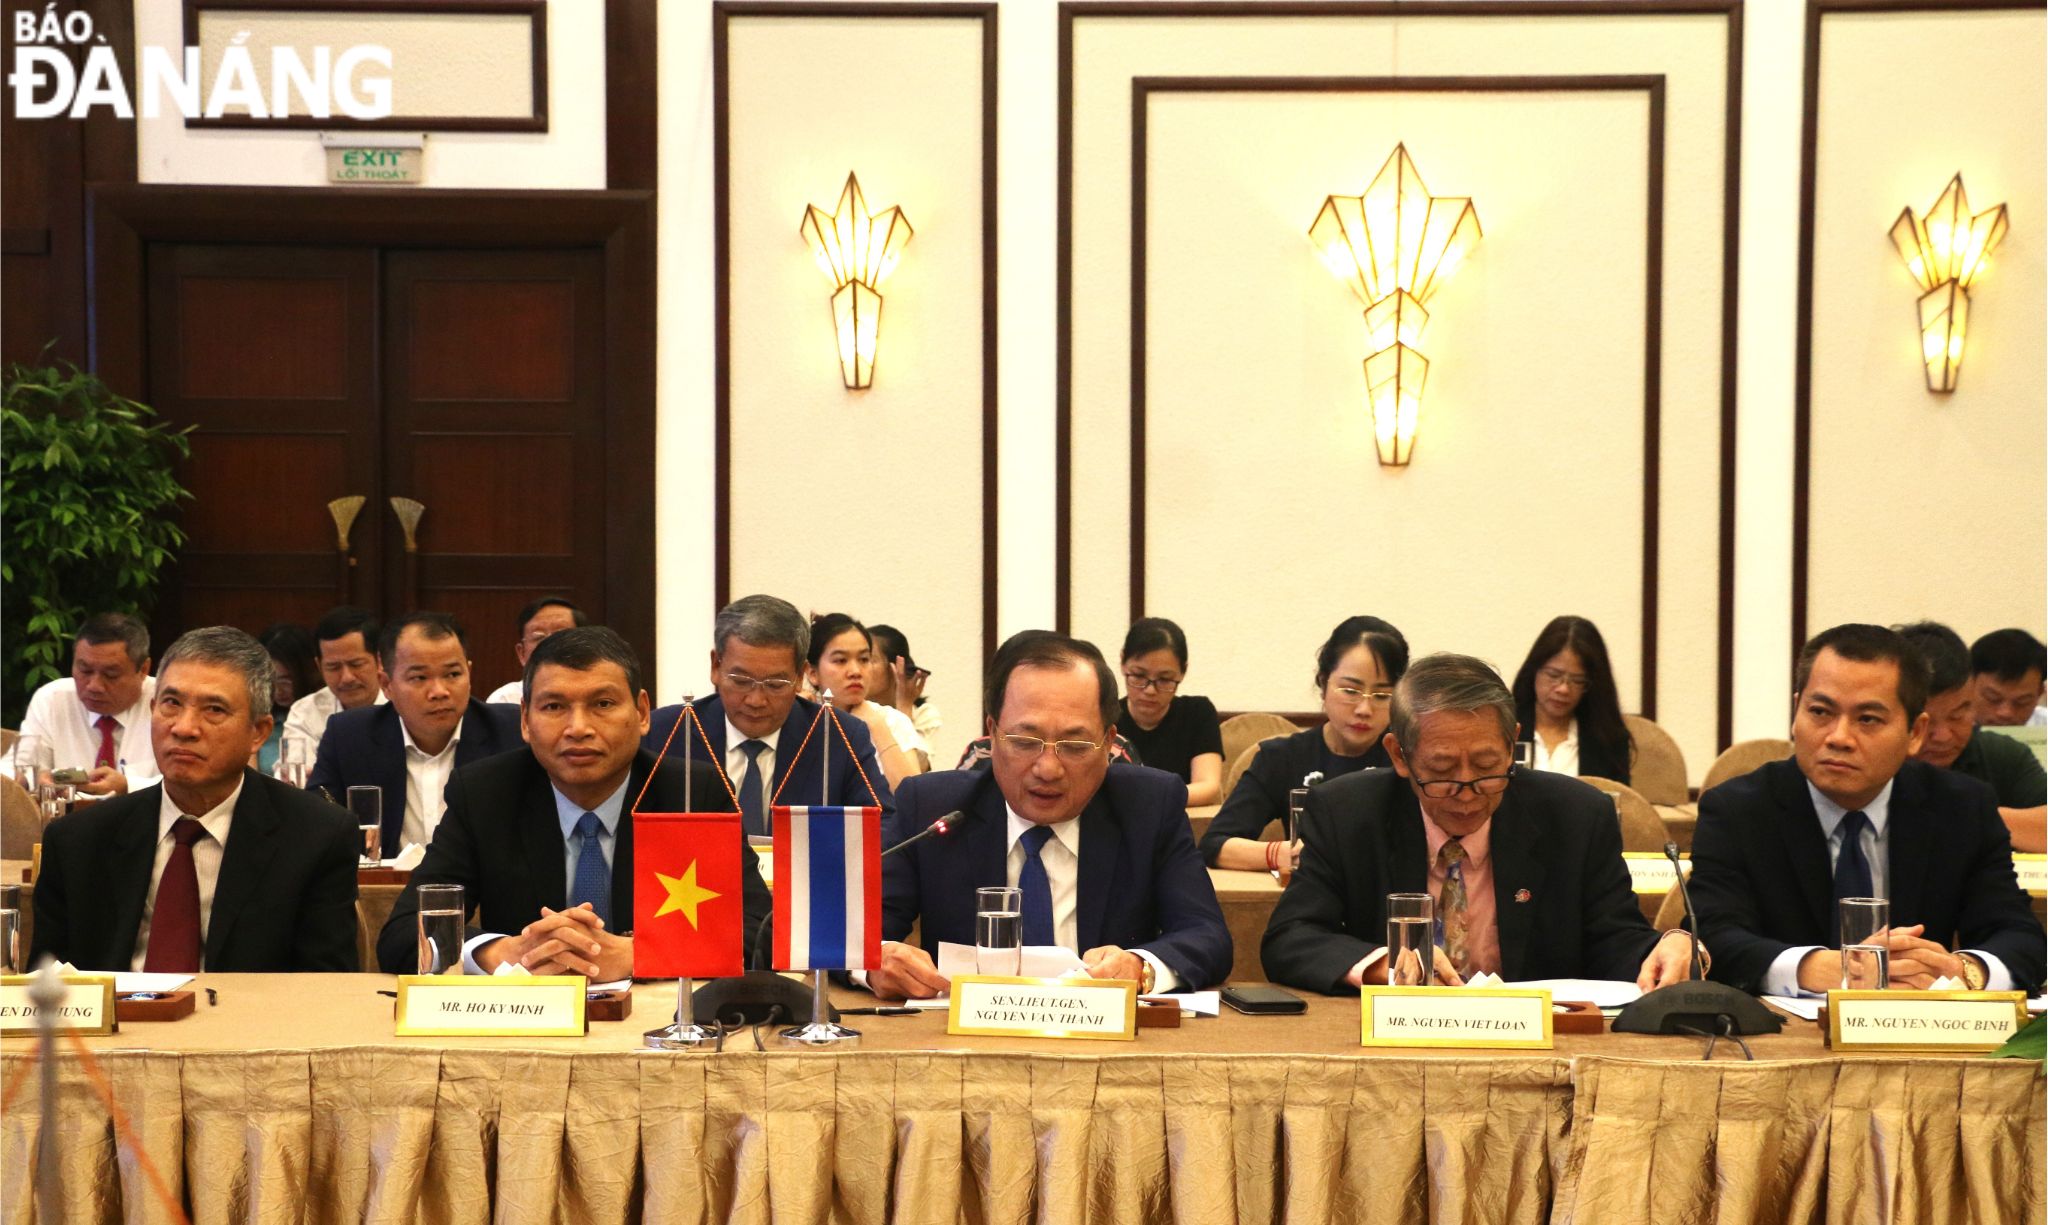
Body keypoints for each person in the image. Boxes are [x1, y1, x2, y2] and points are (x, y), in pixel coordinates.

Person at [1261, 653, 1699, 993]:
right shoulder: (1345, 812)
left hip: (1536, 1049)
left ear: (1512, 746)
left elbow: (1613, 939)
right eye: (1443, 769)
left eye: (1488, 765)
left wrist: (1668, 946)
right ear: (1398, 755)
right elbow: (1290, 937)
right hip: (1392, 1046)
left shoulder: (1577, 816)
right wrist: (1384, 964)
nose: (1468, 789)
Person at [377, 626, 767, 976]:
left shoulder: (691, 793)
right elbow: (404, 934)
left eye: (602, 704)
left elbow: (759, 930)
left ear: (643, 712)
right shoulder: (485, 793)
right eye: (554, 707)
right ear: (525, 721)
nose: (578, 728)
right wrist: (503, 952)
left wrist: (642, 954)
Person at [866, 630, 1232, 998]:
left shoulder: (1149, 806)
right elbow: (855, 930)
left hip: (1103, 1041)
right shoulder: (933, 808)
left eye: (1074, 746)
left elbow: (1206, 934)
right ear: (992, 734)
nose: (1048, 768)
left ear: (1108, 743)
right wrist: (875, 961)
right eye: (1025, 742)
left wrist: (1141, 966)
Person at [1690, 624, 2045, 995]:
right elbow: (1709, 936)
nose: (1839, 737)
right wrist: (1810, 967)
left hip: (1915, 1033)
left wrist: (1961, 969)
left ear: (1915, 734)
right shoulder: (1737, 810)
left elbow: (2019, 935)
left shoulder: (1962, 809)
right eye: (1820, 711)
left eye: (1868, 719)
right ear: (1796, 712)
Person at [29, 626, 359, 972]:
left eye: (214, 709)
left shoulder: (315, 837)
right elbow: (46, 994)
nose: (184, 728)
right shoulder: (77, 841)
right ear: (153, 709)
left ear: (258, 733)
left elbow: (324, 988)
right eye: (171, 704)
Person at [643, 595, 893, 837]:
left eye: (775, 684)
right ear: (716, 667)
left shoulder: (839, 736)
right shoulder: (665, 734)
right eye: (741, 681)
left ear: (799, 677)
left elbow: (883, 828)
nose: (756, 700)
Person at [1200, 616, 1409, 871]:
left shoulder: (1409, 760)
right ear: (1323, 684)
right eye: (1351, 691)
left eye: (1381, 695)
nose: (1364, 709)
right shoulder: (1283, 757)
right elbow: (1215, 845)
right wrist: (1282, 853)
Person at [306, 612, 522, 857]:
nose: (439, 692)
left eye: (453, 674)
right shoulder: (349, 736)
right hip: (383, 891)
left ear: (469, 673)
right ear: (387, 684)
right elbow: (315, 822)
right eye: (419, 677)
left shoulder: (510, 731)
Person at [1899, 621, 2045, 852]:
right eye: (1926, 722)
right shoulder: (1873, 760)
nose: (1944, 736)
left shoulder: (2001, 753)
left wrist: (1970, 814)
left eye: (1958, 716)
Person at [16, 612, 159, 795]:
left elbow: (189, 785)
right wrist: (31, 779)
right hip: (66, 821)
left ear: (143, 670)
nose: (94, 686)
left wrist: (128, 786)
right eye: (85, 670)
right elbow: (24, 767)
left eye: (111, 675)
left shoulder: (168, 703)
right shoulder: (52, 699)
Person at [805, 612, 929, 784]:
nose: (855, 671)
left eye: (864, 659)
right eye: (841, 660)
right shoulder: (799, 720)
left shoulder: (892, 720)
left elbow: (913, 799)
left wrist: (877, 726)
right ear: (812, 673)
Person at [1510, 615, 1634, 784]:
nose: (1563, 689)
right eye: (1554, 675)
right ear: (1534, 671)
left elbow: (1616, 803)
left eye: (1577, 680)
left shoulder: (1609, 740)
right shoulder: (1505, 728)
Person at [1114, 617, 1224, 804]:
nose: (1150, 690)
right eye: (1139, 676)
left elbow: (1208, 786)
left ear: (1183, 672)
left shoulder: (1198, 713)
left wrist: (1146, 799)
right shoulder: (1107, 718)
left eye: (1164, 679)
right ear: (1123, 662)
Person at [279, 606, 387, 765]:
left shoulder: (405, 706)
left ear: (380, 660)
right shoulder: (306, 711)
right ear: (319, 666)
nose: (346, 678)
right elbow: (294, 777)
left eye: (356, 664)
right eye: (333, 667)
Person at [483, 596, 588, 704]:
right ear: (522, 653)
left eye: (560, 635)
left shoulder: (600, 690)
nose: (550, 644)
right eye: (538, 637)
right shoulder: (506, 700)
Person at [255, 622, 320, 773]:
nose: (278, 690)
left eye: (287, 680)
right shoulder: (261, 719)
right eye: (270, 680)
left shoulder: (321, 713)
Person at [869, 623, 942, 749]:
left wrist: (904, 708)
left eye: (867, 659)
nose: (857, 669)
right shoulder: (850, 710)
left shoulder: (924, 715)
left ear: (896, 669)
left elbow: (916, 766)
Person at [1971, 628, 2047, 728]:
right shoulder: (1947, 728)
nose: (2006, 713)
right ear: (1968, 686)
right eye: (1993, 699)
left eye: (2022, 702)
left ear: (2040, 693)